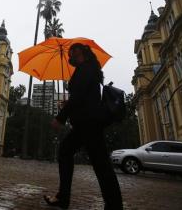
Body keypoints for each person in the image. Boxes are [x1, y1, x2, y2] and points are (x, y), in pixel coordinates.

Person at [43, 43, 123, 210]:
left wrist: (60, 117)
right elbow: (83, 96)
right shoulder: (88, 69)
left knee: (101, 165)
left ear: (81, 53)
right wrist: (70, 102)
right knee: (70, 153)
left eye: (72, 53)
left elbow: (79, 96)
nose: (70, 57)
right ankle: (63, 198)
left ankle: (114, 206)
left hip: (89, 124)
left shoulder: (86, 68)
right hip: (85, 124)